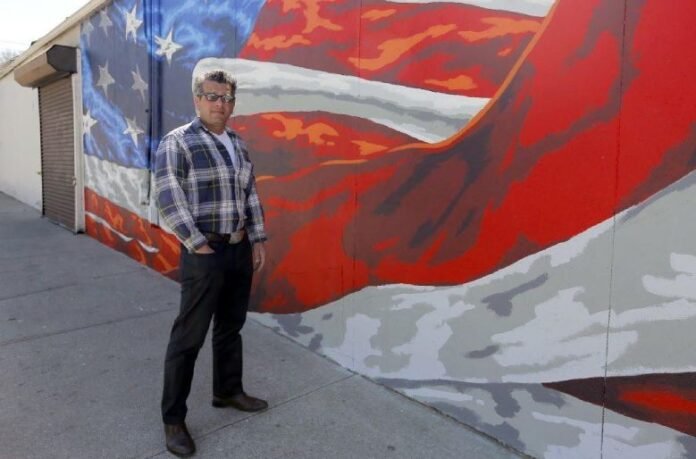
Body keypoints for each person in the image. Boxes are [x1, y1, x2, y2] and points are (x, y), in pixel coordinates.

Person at [154, 70, 268, 458]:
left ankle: (228, 391)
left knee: (230, 328)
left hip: (238, 249)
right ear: (197, 99)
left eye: (228, 98)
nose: (221, 104)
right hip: (205, 252)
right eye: (213, 96)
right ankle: (173, 419)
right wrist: (198, 245)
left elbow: (249, 192)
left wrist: (257, 237)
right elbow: (169, 198)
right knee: (189, 337)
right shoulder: (179, 142)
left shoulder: (237, 142)